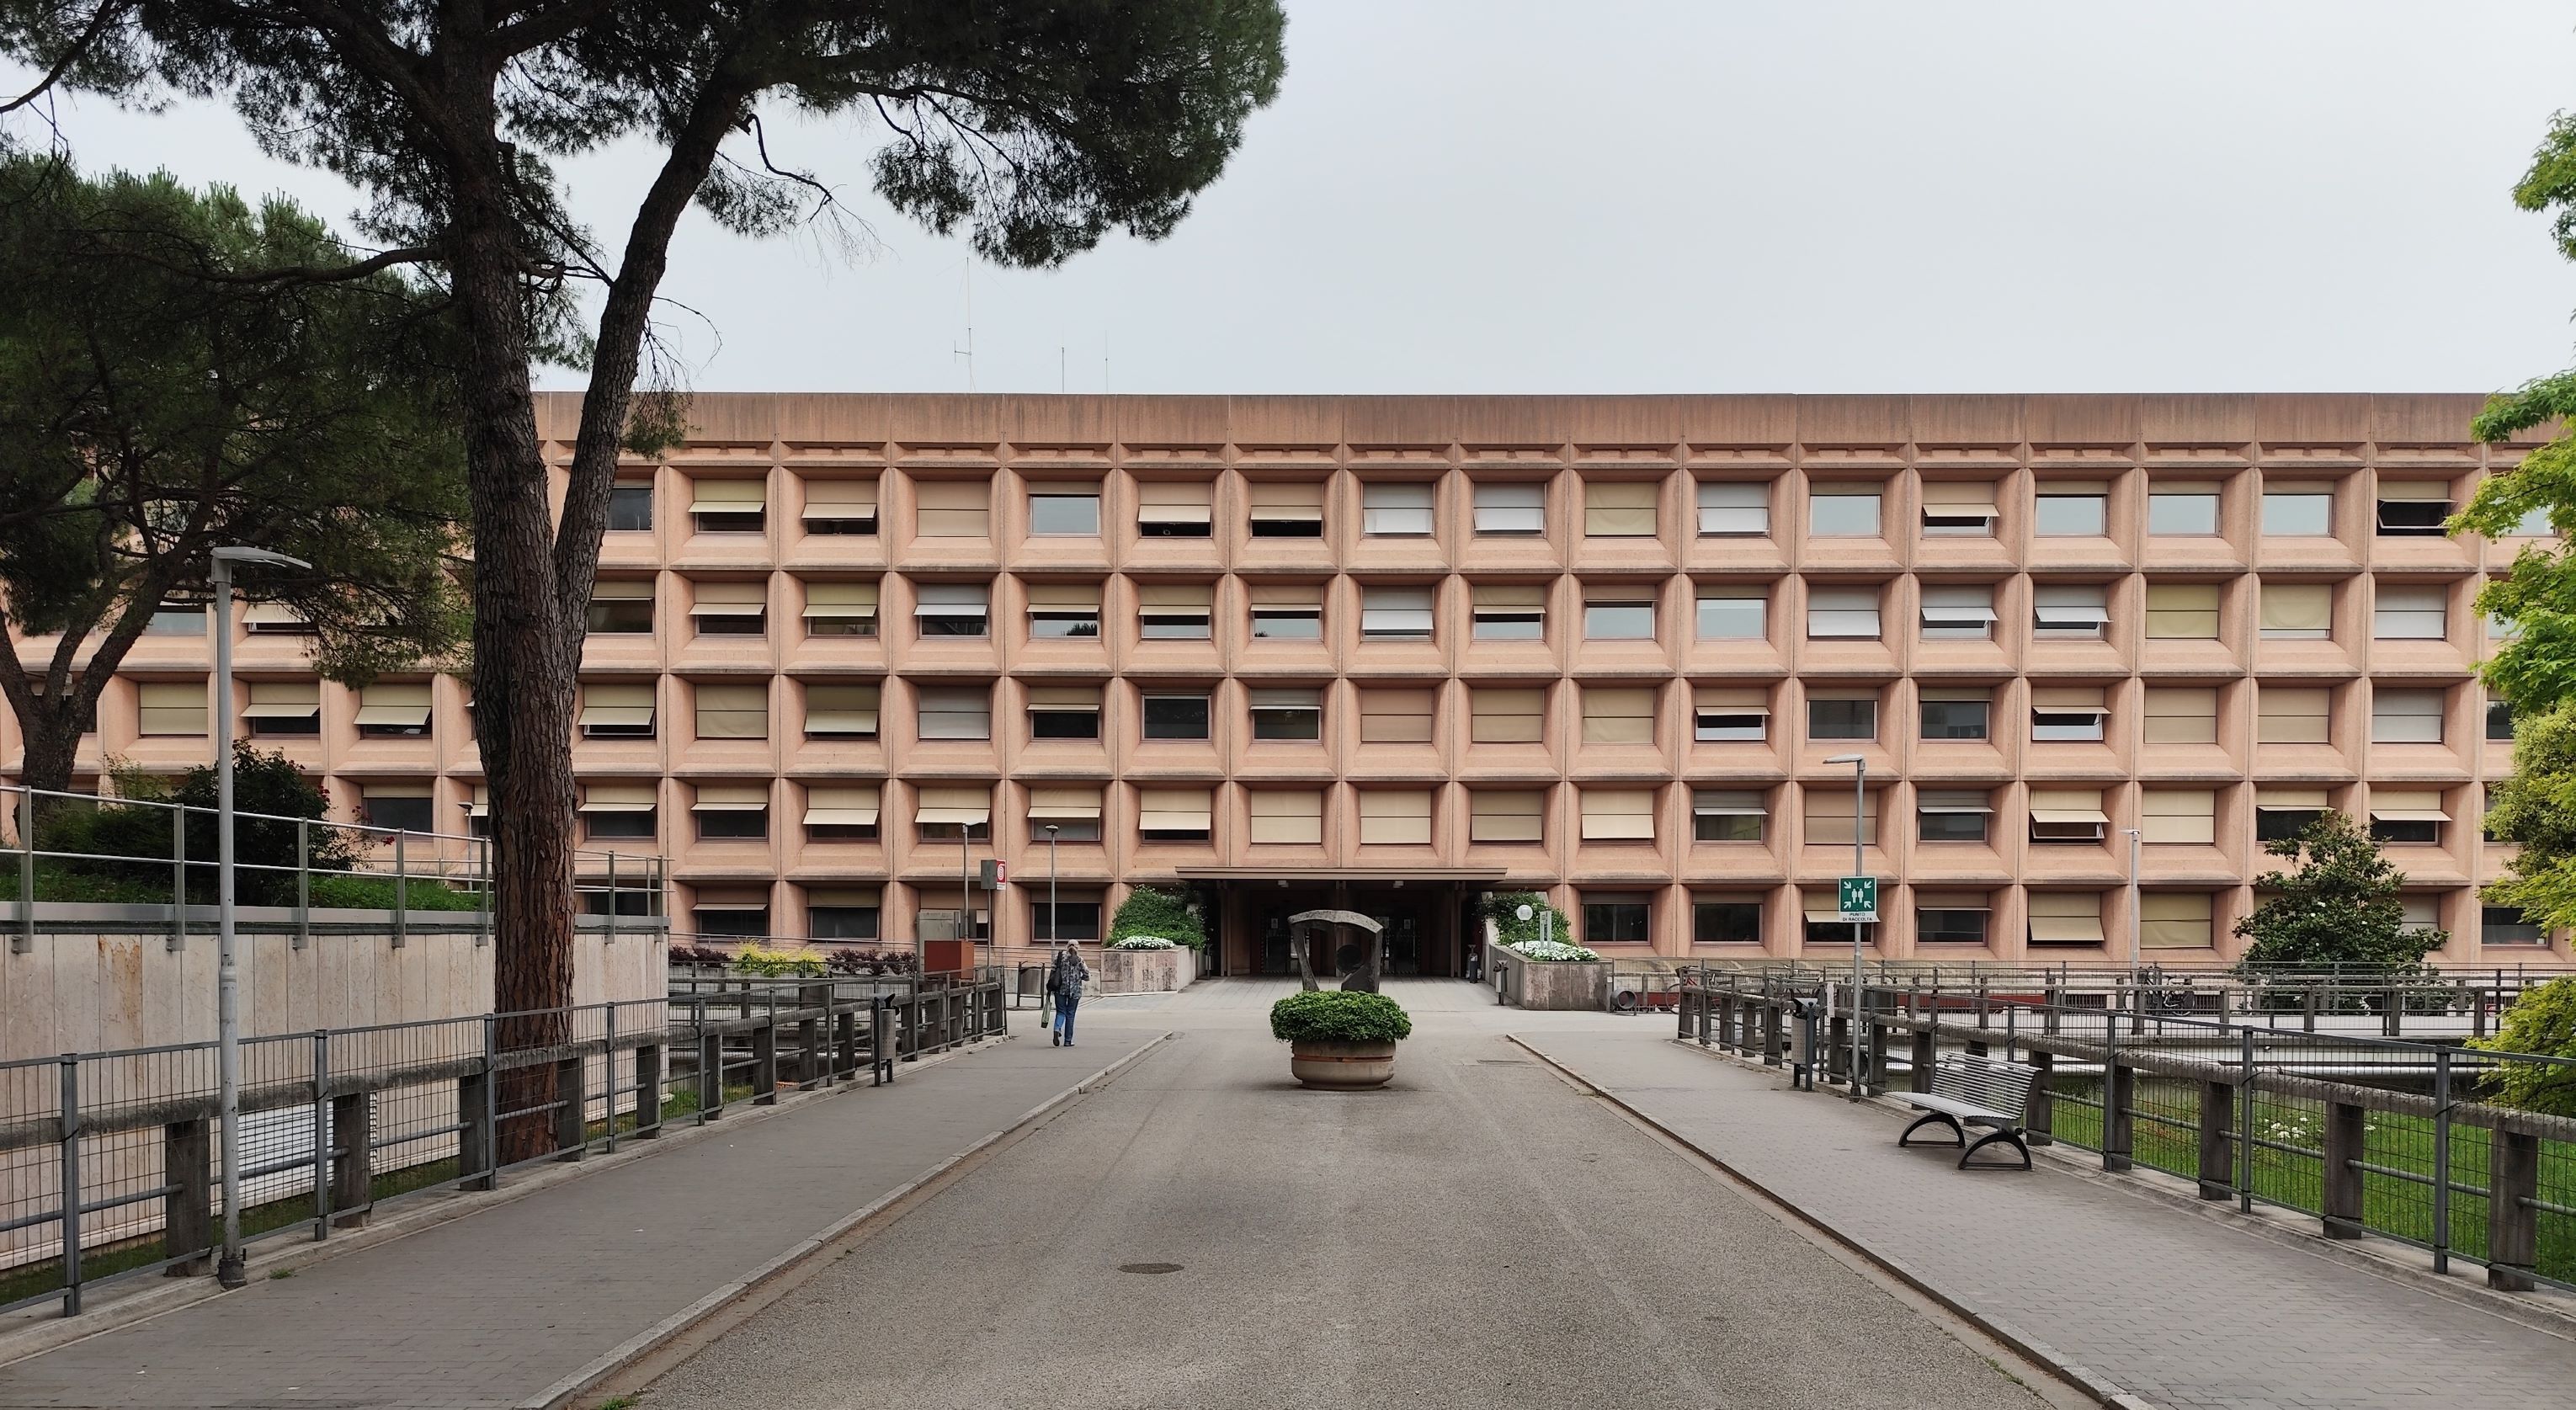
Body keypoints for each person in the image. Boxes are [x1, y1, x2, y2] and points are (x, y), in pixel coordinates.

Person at [1048, 941, 1089, 1047]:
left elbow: (1052, 971)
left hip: (1060, 989)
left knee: (1061, 1012)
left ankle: (1057, 1028)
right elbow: (1086, 974)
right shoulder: (1080, 960)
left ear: (1067, 947)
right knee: (1070, 1014)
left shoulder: (1059, 957)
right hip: (1075, 991)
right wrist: (1081, 978)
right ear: (1077, 947)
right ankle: (1068, 1041)